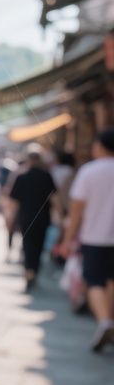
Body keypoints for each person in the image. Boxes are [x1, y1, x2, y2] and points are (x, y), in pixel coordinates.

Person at [59, 129, 114, 352]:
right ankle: (108, 322)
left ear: (99, 146)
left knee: (94, 281)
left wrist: (67, 239)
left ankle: (103, 322)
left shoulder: (89, 171)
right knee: (111, 280)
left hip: (94, 237)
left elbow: (76, 210)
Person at [6, 144, 57, 291]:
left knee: (28, 245)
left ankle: (29, 270)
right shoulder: (46, 176)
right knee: (39, 246)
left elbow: (14, 203)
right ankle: (33, 271)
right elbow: (55, 199)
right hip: (42, 218)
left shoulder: (22, 177)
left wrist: (10, 219)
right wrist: (59, 217)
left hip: (26, 217)